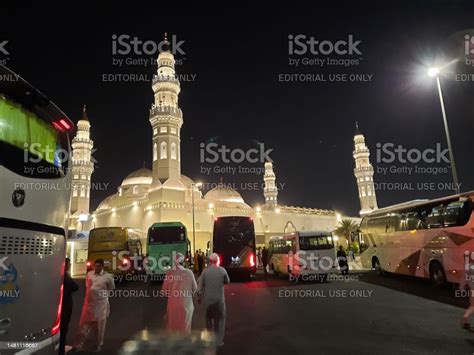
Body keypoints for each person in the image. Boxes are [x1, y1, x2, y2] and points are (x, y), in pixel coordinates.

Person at [76, 259, 115, 352]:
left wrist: (102, 296)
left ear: (102, 266)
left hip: (101, 305)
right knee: (83, 325)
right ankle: (78, 345)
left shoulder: (108, 277)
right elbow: (87, 285)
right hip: (89, 304)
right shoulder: (89, 274)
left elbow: (111, 288)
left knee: (100, 326)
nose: (96, 268)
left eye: (98, 266)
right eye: (95, 266)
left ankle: (99, 344)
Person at [197, 253, 230, 347]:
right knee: (220, 320)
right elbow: (227, 281)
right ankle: (219, 341)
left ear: (209, 261)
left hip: (208, 301)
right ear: (217, 260)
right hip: (219, 301)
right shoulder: (222, 270)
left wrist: (199, 297)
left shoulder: (205, 271)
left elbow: (199, 286)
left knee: (208, 320)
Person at [161, 252, 197, 333]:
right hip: (186, 305)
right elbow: (195, 289)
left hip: (173, 305)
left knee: (172, 328)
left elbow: (164, 292)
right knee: (185, 327)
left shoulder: (169, 273)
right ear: (183, 261)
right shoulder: (189, 272)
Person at [59, 258, 78, 355]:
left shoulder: (60, 275)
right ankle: (61, 349)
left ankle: (61, 347)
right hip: (65, 306)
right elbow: (75, 286)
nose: (70, 265)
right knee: (63, 328)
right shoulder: (64, 276)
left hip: (62, 305)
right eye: (69, 263)